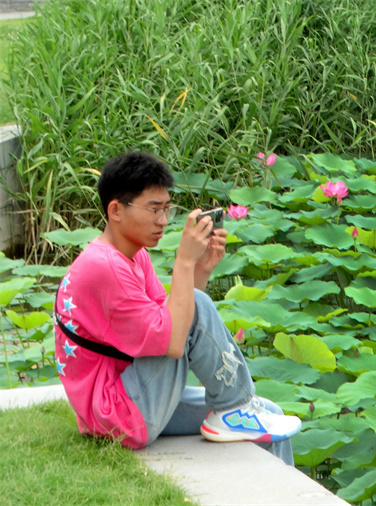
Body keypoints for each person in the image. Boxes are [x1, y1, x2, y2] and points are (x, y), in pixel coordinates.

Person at [53, 152, 300, 465]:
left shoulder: (131, 255)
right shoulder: (105, 266)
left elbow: (177, 321)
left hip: (126, 399)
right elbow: (172, 341)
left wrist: (200, 269)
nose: (163, 221)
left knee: (270, 415)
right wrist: (183, 261)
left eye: (166, 209)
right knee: (244, 410)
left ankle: (242, 415)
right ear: (115, 209)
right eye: (154, 209)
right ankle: (236, 406)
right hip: (117, 414)